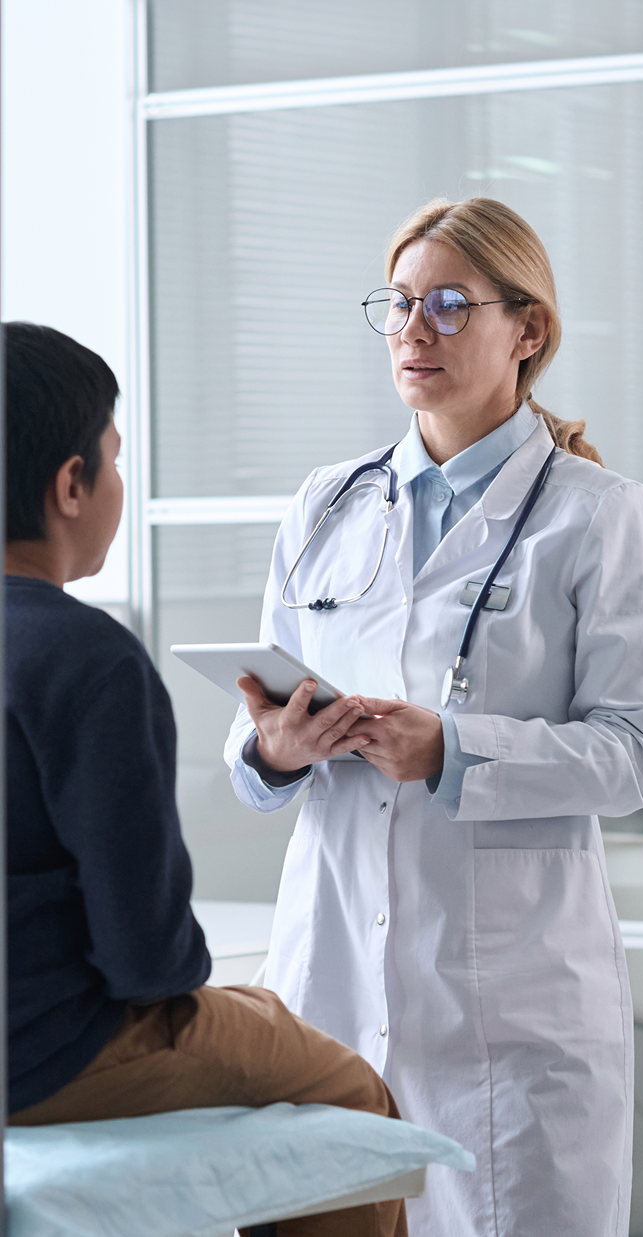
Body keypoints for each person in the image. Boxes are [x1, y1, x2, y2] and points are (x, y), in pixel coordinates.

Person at [225, 198, 643, 1237]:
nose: (412, 330)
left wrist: (454, 749)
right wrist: (276, 748)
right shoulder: (324, 505)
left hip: (511, 999)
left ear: (527, 332)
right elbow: (257, 737)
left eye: (444, 304)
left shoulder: (596, 515)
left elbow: (634, 751)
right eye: (397, 304)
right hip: (332, 978)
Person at [4, 321, 408, 1237]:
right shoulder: (83, 656)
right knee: (345, 1089)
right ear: (72, 486)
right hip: (43, 1051)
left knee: (264, 1010)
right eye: (112, 462)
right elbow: (147, 959)